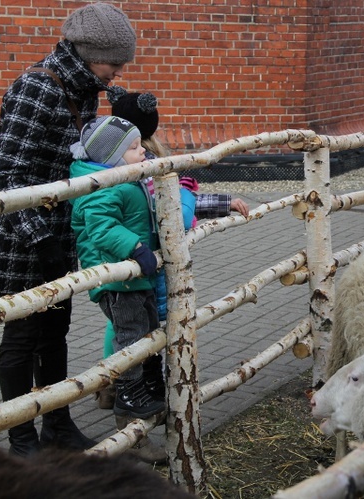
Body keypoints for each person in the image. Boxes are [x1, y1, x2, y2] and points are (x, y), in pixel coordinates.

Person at [0, 3, 137, 457]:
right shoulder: (36, 88)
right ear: (86, 51)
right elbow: (8, 173)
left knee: (56, 327)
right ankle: (21, 437)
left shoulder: (85, 90)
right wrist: (41, 241)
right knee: (21, 335)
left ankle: (57, 423)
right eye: (113, 63)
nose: (117, 73)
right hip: (22, 235)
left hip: (57, 229)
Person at [93, 87, 251, 408]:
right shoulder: (142, 164)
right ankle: (122, 384)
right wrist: (212, 199)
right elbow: (177, 208)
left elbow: (171, 202)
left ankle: (119, 383)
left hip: (135, 260)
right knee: (132, 327)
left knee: (129, 325)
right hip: (137, 258)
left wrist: (223, 202)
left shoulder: (133, 159)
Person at [69, 115, 166, 423]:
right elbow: (101, 227)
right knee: (131, 333)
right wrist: (135, 247)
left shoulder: (121, 179)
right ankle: (126, 390)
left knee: (147, 327)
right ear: (112, 156)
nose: (143, 152)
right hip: (116, 278)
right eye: (135, 147)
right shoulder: (104, 186)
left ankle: (149, 380)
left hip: (134, 276)